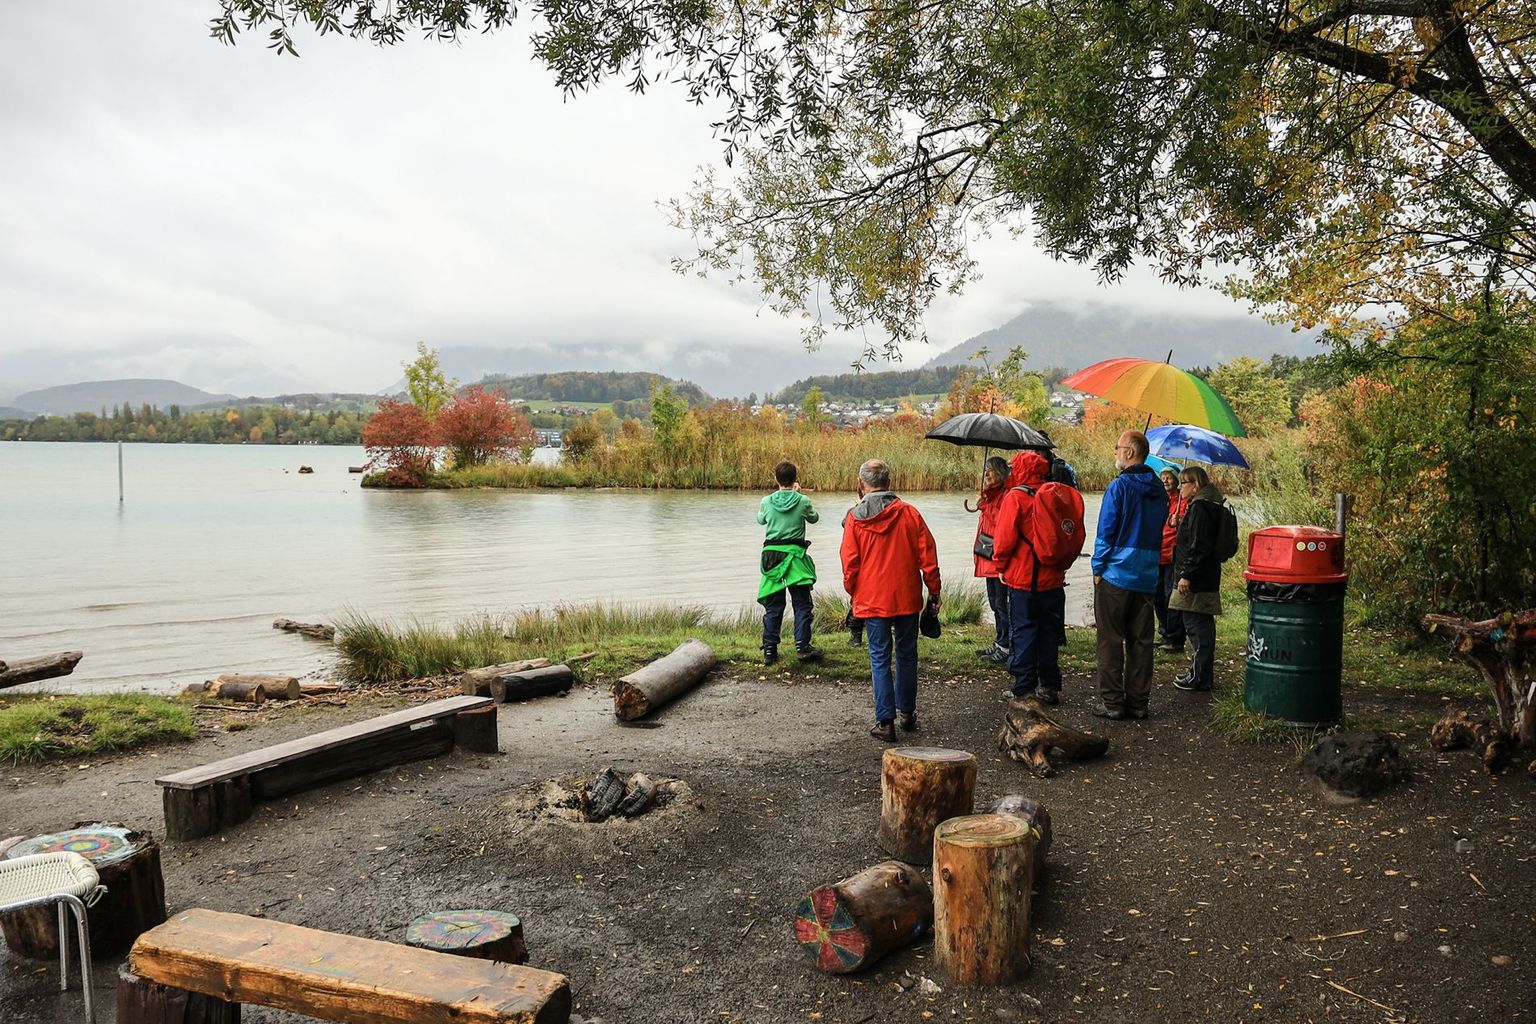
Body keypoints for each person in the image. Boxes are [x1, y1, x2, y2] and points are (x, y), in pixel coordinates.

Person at [841, 459, 941, 742]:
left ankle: (885, 721)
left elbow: (850, 563)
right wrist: (934, 590)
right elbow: (928, 558)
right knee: (907, 654)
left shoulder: (854, 518)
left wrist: (853, 592)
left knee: (879, 657)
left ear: (862, 484)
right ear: (889, 482)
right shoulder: (910, 514)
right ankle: (907, 712)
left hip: (873, 598)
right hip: (906, 596)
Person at [1090, 430, 1167, 720]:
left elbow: (1106, 530)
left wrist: (1098, 567)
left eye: (1117, 448)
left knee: (1110, 638)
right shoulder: (1159, 488)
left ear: (1130, 453)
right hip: (1147, 573)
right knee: (1141, 640)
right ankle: (1138, 702)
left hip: (1117, 572)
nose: (1115, 453)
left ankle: (1112, 702)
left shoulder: (1119, 487)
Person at [991, 450, 1066, 704]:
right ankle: (1050, 685)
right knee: (1048, 630)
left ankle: (1023, 686)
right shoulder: (1054, 493)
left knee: (1022, 629)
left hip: (1024, 576)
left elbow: (1004, 539)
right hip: (1053, 576)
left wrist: (1000, 565)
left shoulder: (1016, 497)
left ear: (1022, 470)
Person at [757, 460, 825, 666]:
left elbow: (761, 520)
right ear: (795, 479)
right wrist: (798, 493)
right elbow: (814, 518)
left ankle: (770, 650)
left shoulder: (766, 501)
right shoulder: (802, 500)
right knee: (802, 604)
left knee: (774, 605)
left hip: (771, 556)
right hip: (795, 555)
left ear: (776, 479)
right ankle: (802, 646)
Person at [1169, 465, 1227, 692]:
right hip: (1205, 576)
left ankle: (1201, 677)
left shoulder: (1201, 507)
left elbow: (1199, 546)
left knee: (1196, 625)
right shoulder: (1204, 504)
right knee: (1198, 624)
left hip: (1197, 579)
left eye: (1184, 482)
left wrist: (1186, 575)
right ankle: (1199, 673)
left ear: (1196, 485)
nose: (1180, 486)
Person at [973, 456, 1011, 664]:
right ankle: (999, 641)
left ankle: (1005, 646)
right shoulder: (991, 496)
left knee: (1001, 603)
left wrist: (985, 504)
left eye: (991, 470)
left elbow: (1000, 523)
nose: (986, 474)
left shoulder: (1005, 496)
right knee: (995, 603)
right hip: (989, 556)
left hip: (998, 558)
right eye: (985, 470)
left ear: (1001, 474)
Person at [1155, 467, 1189, 653]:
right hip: (1156, 553)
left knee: (1171, 596)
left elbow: (1187, 525)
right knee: (1157, 596)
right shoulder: (1159, 500)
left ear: (1176, 481)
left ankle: (1176, 638)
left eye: (1169, 478)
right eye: (1163, 477)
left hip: (1173, 553)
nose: (1166, 481)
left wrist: (1180, 519)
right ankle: (1164, 631)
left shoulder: (1183, 501)